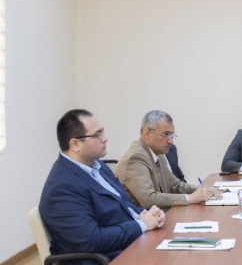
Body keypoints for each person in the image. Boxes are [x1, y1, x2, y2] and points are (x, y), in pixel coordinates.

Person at [39, 109, 166, 263]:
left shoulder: (98, 166)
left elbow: (123, 205)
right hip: (107, 258)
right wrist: (142, 224)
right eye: (97, 134)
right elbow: (91, 240)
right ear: (75, 144)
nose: (105, 138)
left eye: (103, 132)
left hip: (128, 244)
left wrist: (147, 214)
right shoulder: (62, 187)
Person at [115, 110, 221, 209]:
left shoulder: (158, 153)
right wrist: (190, 198)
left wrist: (201, 190)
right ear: (147, 133)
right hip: (141, 219)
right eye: (166, 134)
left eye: (172, 135)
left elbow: (175, 185)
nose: (171, 141)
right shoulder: (135, 157)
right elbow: (149, 199)